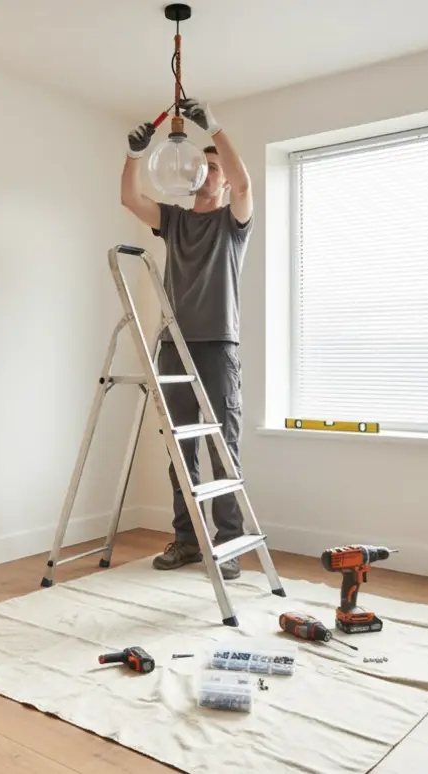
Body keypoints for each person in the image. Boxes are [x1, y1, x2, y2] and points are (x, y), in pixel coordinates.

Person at [120, 98, 253, 581]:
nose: (207, 171)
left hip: (217, 346)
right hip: (173, 346)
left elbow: (244, 183)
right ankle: (187, 540)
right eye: (201, 165)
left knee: (222, 446)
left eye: (212, 167)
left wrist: (214, 128)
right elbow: (131, 200)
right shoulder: (174, 220)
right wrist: (135, 155)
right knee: (181, 449)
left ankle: (230, 543)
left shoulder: (231, 225)